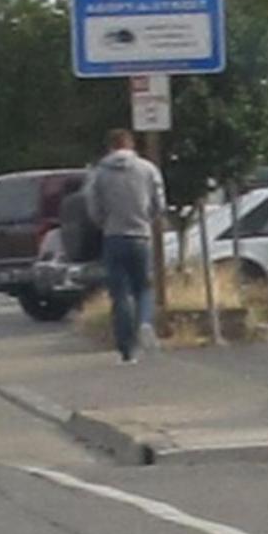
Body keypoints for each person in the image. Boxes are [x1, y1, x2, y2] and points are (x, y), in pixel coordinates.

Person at [86, 129, 166, 364]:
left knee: (120, 294)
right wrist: (147, 219)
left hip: (113, 236)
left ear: (110, 146)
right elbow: (159, 203)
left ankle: (126, 350)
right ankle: (144, 323)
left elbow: (93, 205)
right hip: (140, 236)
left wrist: (104, 223)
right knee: (144, 287)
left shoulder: (99, 173)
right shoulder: (148, 169)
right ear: (131, 145)